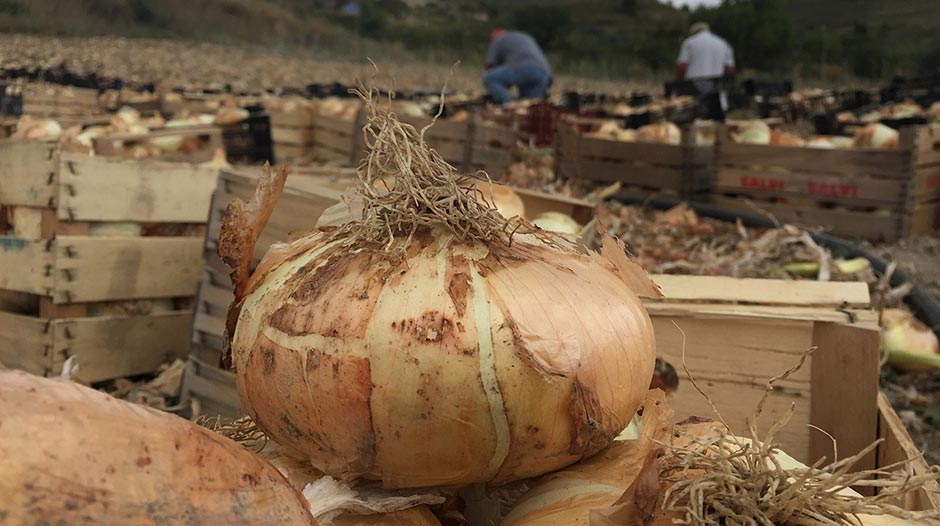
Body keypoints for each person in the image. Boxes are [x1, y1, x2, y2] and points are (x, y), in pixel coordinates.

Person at [676, 22, 735, 120]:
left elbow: (682, 67)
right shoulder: (723, 43)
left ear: (694, 32)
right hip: (718, 96)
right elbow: (729, 69)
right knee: (718, 124)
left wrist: (680, 85)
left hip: (694, 94)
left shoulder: (689, 43)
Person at [483, 29, 552, 104]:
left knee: (490, 78)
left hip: (524, 68)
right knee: (529, 107)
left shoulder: (498, 39)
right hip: (544, 75)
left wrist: (497, 90)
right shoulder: (525, 37)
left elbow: (490, 66)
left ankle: (509, 104)